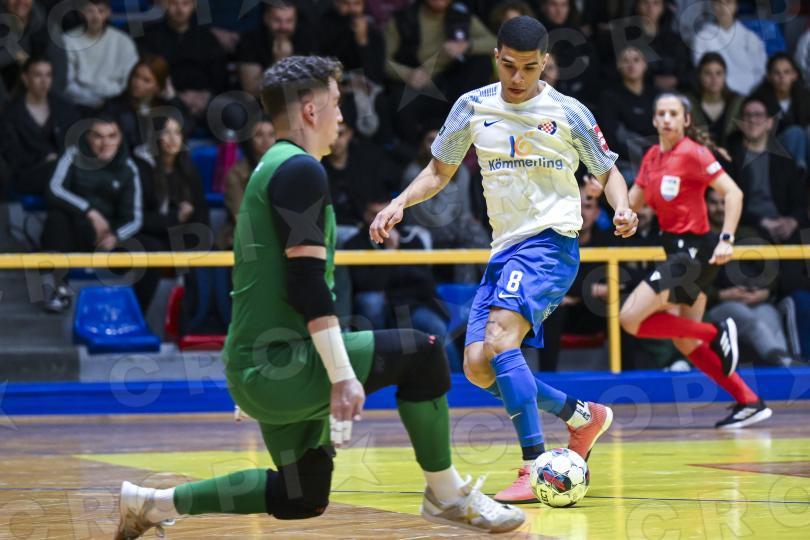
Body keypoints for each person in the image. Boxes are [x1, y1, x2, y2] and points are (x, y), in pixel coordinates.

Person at [115, 55, 524, 537]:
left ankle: (152, 503)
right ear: (311, 111)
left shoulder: (270, 167)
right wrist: (341, 375)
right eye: (337, 103)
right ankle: (447, 495)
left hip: (260, 361)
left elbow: (261, 279)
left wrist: (258, 381)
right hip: (278, 361)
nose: (342, 116)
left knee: (301, 496)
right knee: (423, 353)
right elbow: (305, 283)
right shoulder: (300, 171)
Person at [370, 16, 639, 503]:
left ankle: (534, 466)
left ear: (545, 63)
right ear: (496, 57)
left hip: (549, 243)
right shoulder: (471, 107)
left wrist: (621, 206)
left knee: (498, 341)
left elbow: (608, 171)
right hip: (504, 250)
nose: (518, 78)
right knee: (477, 365)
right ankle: (582, 415)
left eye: (530, 68)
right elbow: (438, 171)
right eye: (510, 66)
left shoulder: (569, 111)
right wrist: (399, 202)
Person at [619, 93, 773, 430]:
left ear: (686, 119)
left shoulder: (694, 153)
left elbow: (734, 193)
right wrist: (606, 199)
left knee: (629, 317)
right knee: (685, 341)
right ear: (654, 120)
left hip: (693, 253)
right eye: (661, 113)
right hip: (675, 252)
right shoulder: (652, 157)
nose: (667, 119)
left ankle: (716, 332)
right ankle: (749, 401)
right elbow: (630, 207)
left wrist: (727, 238)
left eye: (674, 113)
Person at [40, 116, 142, 312]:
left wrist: (115, 236)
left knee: (144, 245)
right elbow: (53, 189)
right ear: (88, 137)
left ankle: (133, 310)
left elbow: (134, 219)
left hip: (108, 237)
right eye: (98, 136)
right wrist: (90, 212)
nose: (106, 143)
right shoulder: (73, 155)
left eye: (112, 136)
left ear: (120, 138)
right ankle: (58, 289)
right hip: (74, 231)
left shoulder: (129, 167)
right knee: (56, 220)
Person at [704, 188, 793, 367]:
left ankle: (784, 368)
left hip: (756, 301)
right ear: (704, 204)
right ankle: (784, 362)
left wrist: (765, 292)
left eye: (724, 203)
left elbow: (772, 272)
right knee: (748, 319)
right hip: (718, 306)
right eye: (713, 202)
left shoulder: (748, 234)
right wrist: (722, 295)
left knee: (770, 316)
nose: (719, 208)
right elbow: (691, 286)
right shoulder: (700, 237)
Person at [133, 116, 210, 311]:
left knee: (206, 247)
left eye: (177, 132)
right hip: (146, 235)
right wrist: (175, 218)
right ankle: (139, 315)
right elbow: (138, 219)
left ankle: (196, 317)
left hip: (177, 233)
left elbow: (201, 210)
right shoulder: (141, 168)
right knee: (152, 251)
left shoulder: (187, 167)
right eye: (166, 132)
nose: (173, 138)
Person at [727, 96, 806, 245]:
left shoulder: (784, 160)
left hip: (784, 225)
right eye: (747, 115)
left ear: (769, 122)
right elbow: (726, 203)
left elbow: (799, 202)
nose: (752, 119)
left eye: (758, 115)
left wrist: (792, 221)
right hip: (748, 226)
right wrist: (762, 221)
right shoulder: (730, 158)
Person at [0, 56, 80, 196]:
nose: (44, 81)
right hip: (28, 174)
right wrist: (44, 158)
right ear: (25, 78)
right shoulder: (11, 113)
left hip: (65, 169)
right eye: (38, 75)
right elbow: (11, 154)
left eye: (48, 75)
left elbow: (76, 141)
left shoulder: (64, 107)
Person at [137, 0, 228, 120]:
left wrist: (206, 96)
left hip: (205, 102)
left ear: (194, 6)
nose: (180, 10)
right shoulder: (149, 37)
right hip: (165, 99)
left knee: (231, 112)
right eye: (174, 3)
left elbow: (220, 76)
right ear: (164, 5)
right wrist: (176, 97)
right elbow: (147, 74)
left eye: (185, 4)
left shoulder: (207, 38)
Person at [103, 55, 193, 150]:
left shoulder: (165, 107)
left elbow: (186, 129)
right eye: (136, 76)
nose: (137, 83)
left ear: (158, 86)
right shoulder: (115, 106)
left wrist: (173, 98)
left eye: (146, 80)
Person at [63, 0, 139, 110]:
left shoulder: (124, 41)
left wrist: (112, 98)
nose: (95, 16)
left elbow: (131, 78)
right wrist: (92, 100)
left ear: (109, 12)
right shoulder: (68, 40)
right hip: (77, 103)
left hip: (117, 103)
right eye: (90, 11)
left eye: (100, 11)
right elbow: (65, 81)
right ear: (81, 13)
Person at [597, 46, 658, 178]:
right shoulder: (609, 97)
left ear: (645, 64)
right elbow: (611, 136)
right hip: (625, 163)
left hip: (656, 159)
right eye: (625, 60)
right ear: (618, 65)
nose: (631, 65)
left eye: (636, 60)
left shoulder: (656, 95)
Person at [218, 117, 276, 250]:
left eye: (271, 135)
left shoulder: (286, 168)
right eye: (259, 135)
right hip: (245, 235)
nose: (266, 140)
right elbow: (241, 218)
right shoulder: (235, 174)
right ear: (249, 140)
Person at [236, 0, 316, 95]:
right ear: (266, 18)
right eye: (277, 20)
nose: (283, 27)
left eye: (289, 21)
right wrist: (279, 62)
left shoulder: (305, 38)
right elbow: (251, 91)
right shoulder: (250, 41)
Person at [750, 53, 810, 173]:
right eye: (777, 73)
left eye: (786, 72)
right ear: (769, 76)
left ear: (794, 75)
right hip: (771, 151)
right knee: (795, 133)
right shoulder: (758, 100)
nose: (782, 77)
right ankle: (798, 173)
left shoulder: (805, 97)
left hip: (805, 147)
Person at [691, 0, 766, 95]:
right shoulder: (702, 38)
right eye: (719, 3)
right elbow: (703, 72)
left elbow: (761, 71)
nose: (723, 8)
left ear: (736, 6)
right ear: (712, 5)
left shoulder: (751, 38)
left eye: (728, 2)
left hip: (752, 94)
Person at [687, 53, 744, 150]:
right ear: (699, 76)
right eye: (707, 73)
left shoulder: (738, 103)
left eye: (719, 73)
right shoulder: (689, 104)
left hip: (733, 157)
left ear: (725, 76)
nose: (714, 78)